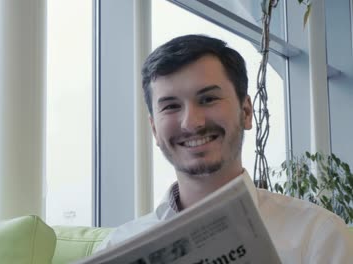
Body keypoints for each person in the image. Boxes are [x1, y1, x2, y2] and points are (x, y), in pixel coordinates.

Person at [96, 35, 353, 263]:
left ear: (246, 111)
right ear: (154, 129)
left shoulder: (317, 236)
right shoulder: (119, 246)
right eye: (171, 106)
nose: (191, 123)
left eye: (208, 99)